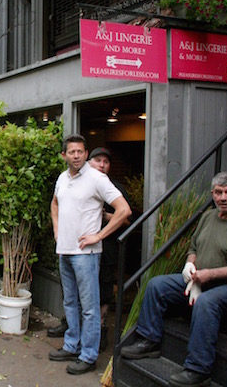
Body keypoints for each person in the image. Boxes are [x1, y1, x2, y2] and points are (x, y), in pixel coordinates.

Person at [120, 172, 227, 387]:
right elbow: (193, 247)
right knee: (156, 285)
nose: (223, 198)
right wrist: (190, 265)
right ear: (212, 194)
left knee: (206, 302)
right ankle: (149, 341)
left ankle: (199, 369)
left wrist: (207, 275)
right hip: (201, 278)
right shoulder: (208, 217)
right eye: (218, 192)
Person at [49, 134, 131, 375]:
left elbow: (123, 209)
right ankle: (71, 345)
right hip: (64, 250)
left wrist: (99, 235)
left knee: (90, 307)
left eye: (80, 152)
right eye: (71, 152)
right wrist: (56, 229)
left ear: (86, 154)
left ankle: (88, 355)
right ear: (64, 155)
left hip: (86, 254)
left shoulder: (97, 179)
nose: (76, 155)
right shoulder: (62, 178)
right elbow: (54, 204)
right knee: (70, 302)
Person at [88, 147, 132, 352]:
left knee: (104, 289)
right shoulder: (81, 184)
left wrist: (107, 217)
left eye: (106, 161)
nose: (102, 165)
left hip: (108, 247)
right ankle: (73, 324)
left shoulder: (117, 189)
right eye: (98, 160)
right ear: (89, 162)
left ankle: (102, 330)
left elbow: (128, 221)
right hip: (82, 247)